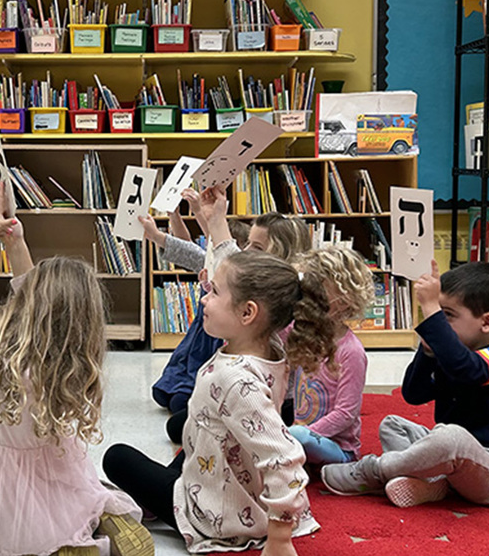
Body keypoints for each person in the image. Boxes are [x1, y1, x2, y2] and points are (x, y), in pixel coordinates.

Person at [104, 185, 335, 554]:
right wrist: (217, 223)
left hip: (220, 514)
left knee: (116, 458)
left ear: (247, 313)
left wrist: (279, 538)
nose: (203, 297)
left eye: (213, 293)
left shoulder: (234, 379)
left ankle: (168, 506)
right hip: (223, 470)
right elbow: (235, 268)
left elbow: (284, 457)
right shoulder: (270, 345)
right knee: (184, 431)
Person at [0, 185, 151, 556]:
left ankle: (60, 548)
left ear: (29, 308)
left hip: (1, 479)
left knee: (11, 533)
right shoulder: (73, 366)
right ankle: (95, 526)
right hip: (52, 468)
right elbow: (37, 297)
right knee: (74, 498)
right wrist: (15, 244)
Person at [322, 260, 489, 509]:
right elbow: (413, 393)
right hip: (453, 463)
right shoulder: (451, 356)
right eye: (437, 317)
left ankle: (378, 470)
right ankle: (435, 483)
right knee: (392, 425)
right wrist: (428, 352)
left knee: (450, 436)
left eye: (447, 317)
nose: (438, 325)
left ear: (487, 322)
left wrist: (432, 315)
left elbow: (467, 370)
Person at [146, 188, 311, 419]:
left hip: (268, 405)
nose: (246, 252)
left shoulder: (280, 303)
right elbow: (219, 252)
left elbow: (225, 252)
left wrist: (214, 219)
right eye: (248, 244)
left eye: (257, 247)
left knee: (184, 411)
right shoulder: (252, 283)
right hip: (240, 391)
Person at [288, 245, 374, 466]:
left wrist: (298, 436)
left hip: (338, 450)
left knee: (297, 435)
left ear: (345, 299)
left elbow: (346, 413)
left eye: (319, 292)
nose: (310, 299)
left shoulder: (351, 352)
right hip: (301, 438)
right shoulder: (302, 333)